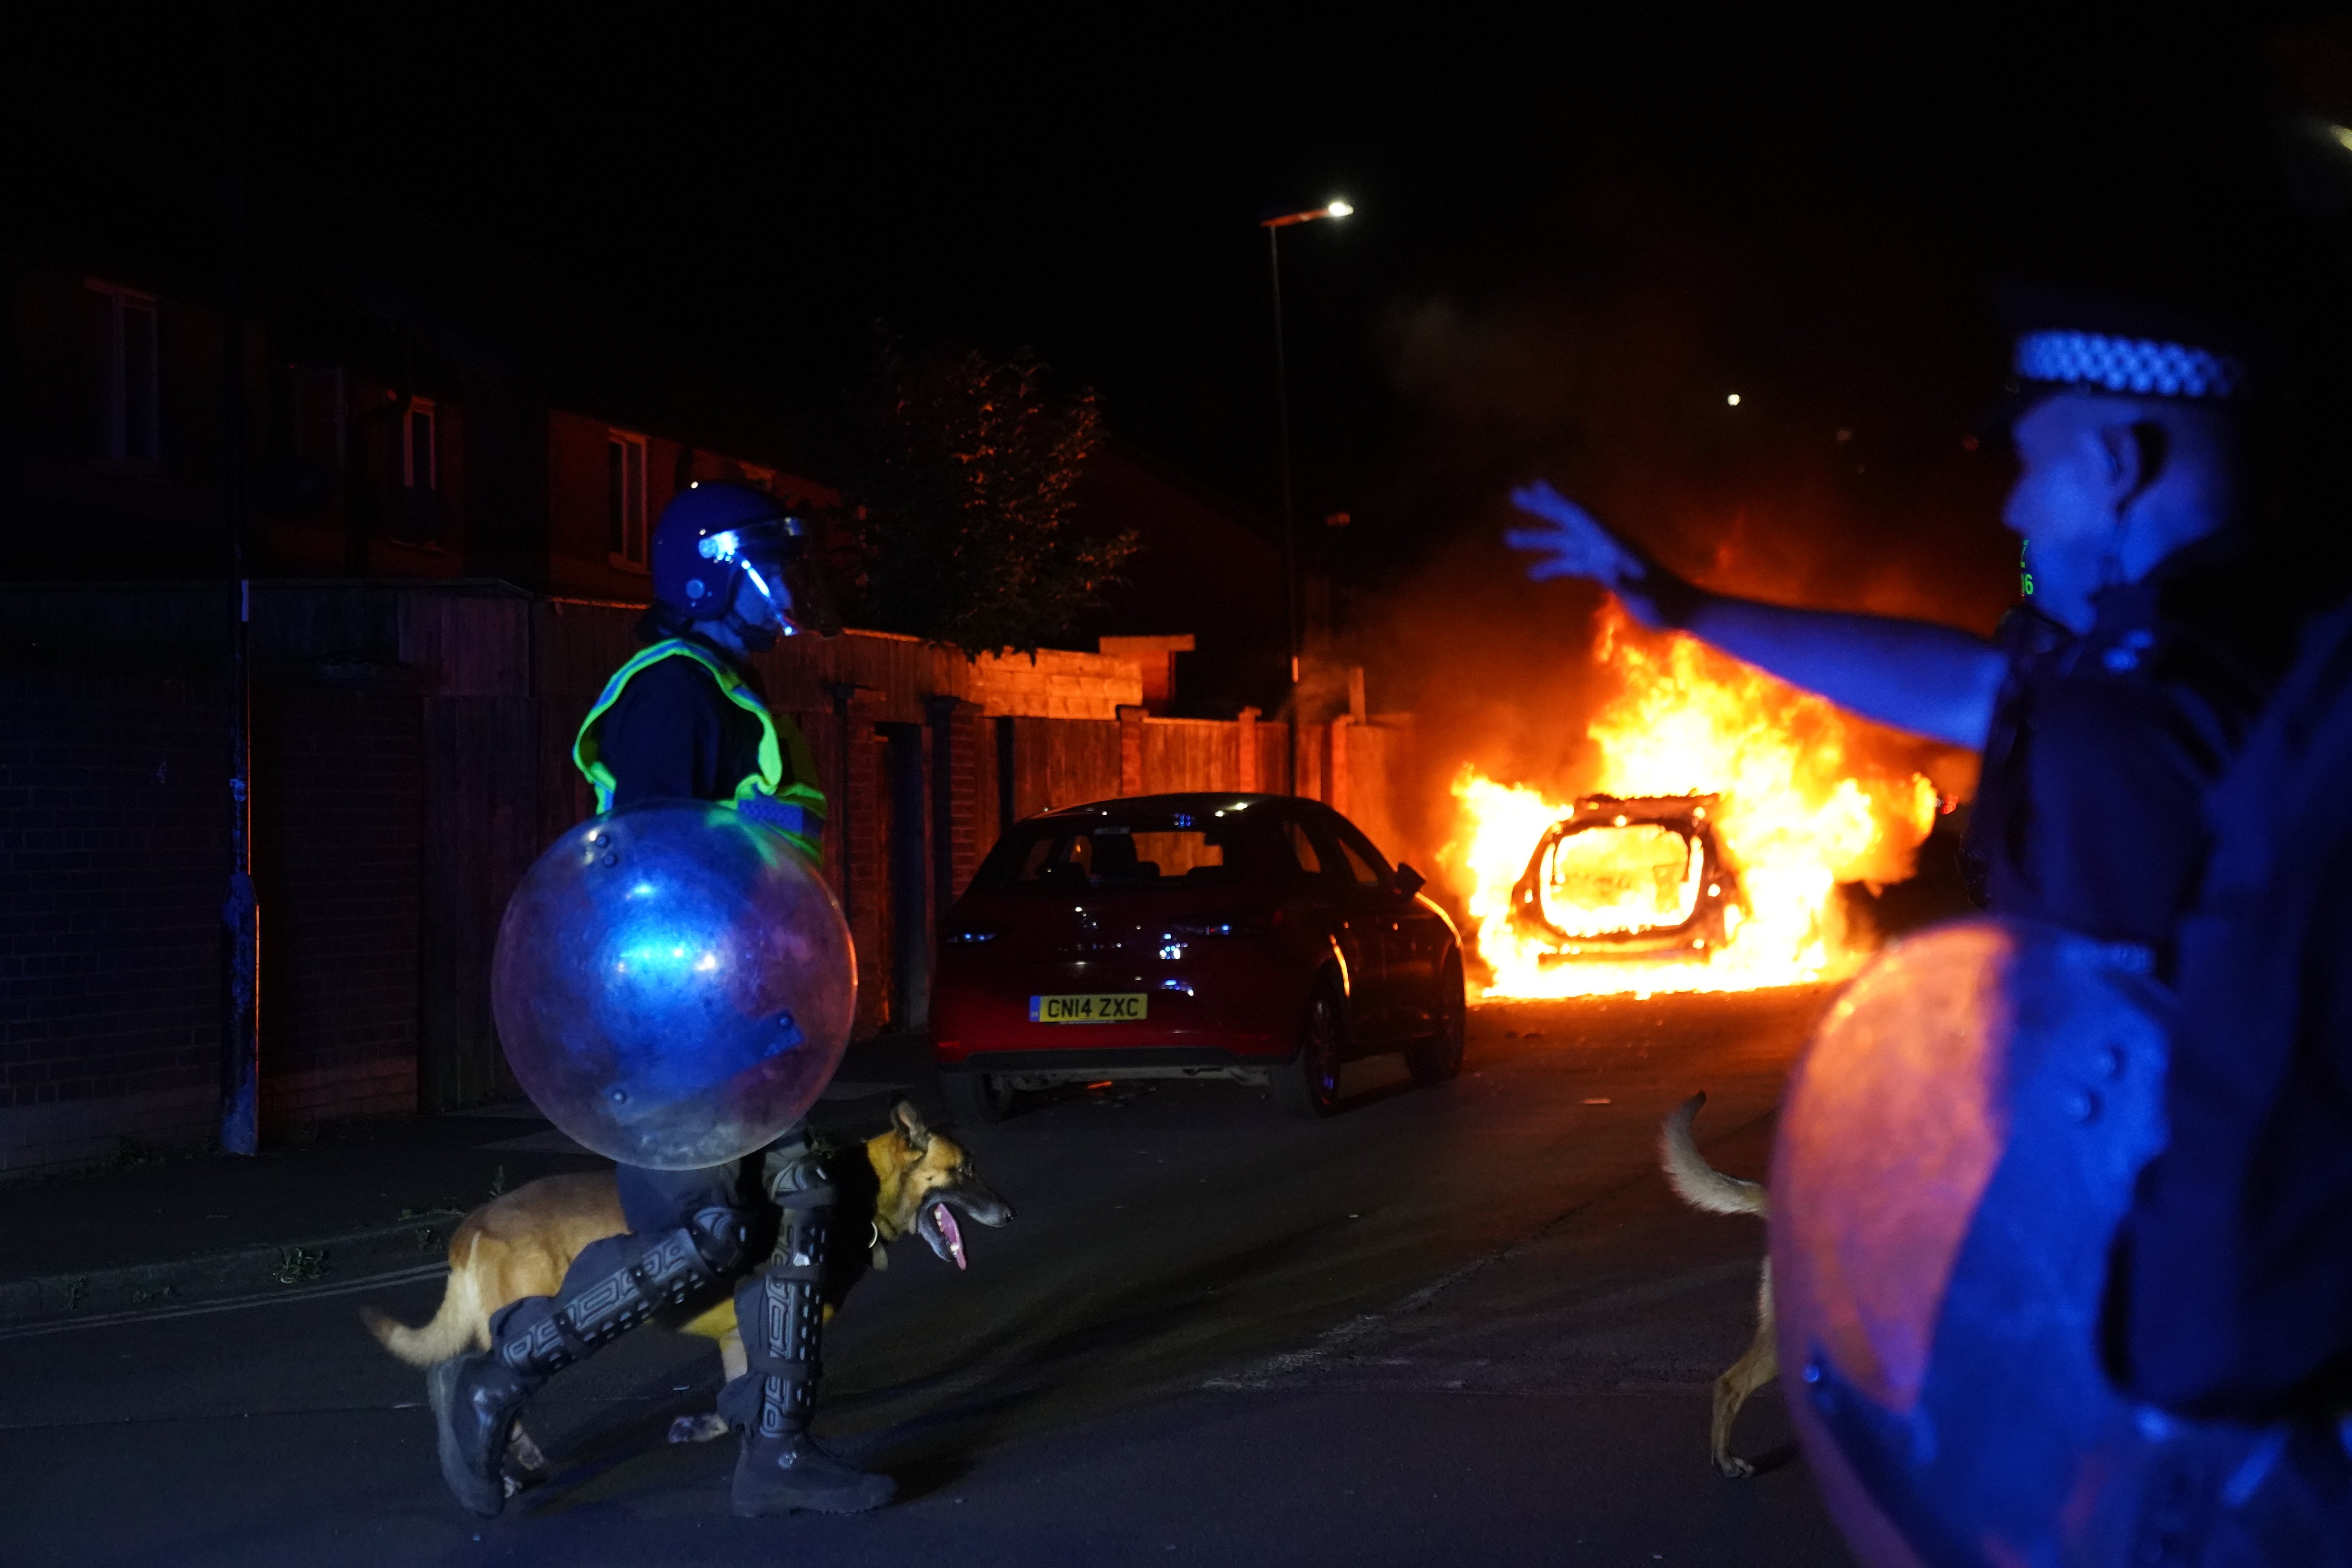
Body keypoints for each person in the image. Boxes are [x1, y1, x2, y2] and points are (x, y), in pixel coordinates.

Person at [1504, 301, 2301, 965]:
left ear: (2114, 461)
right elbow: (1971, 683)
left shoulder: (2131, 718)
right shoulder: (2247, 643)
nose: (2012, 509)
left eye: (2029, 466)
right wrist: (1687, 608)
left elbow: (2112, 1060)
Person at [428, 481, 894, 1519]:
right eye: (769, 557)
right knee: (712, 1238)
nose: (788, 580)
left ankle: (778, 1451)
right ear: (712, 570)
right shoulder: (676, 690)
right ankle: (493, 1383)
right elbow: (651, 871)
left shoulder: (724, 685)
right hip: (685, 1025)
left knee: (809, 1198)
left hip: (744, 1014)